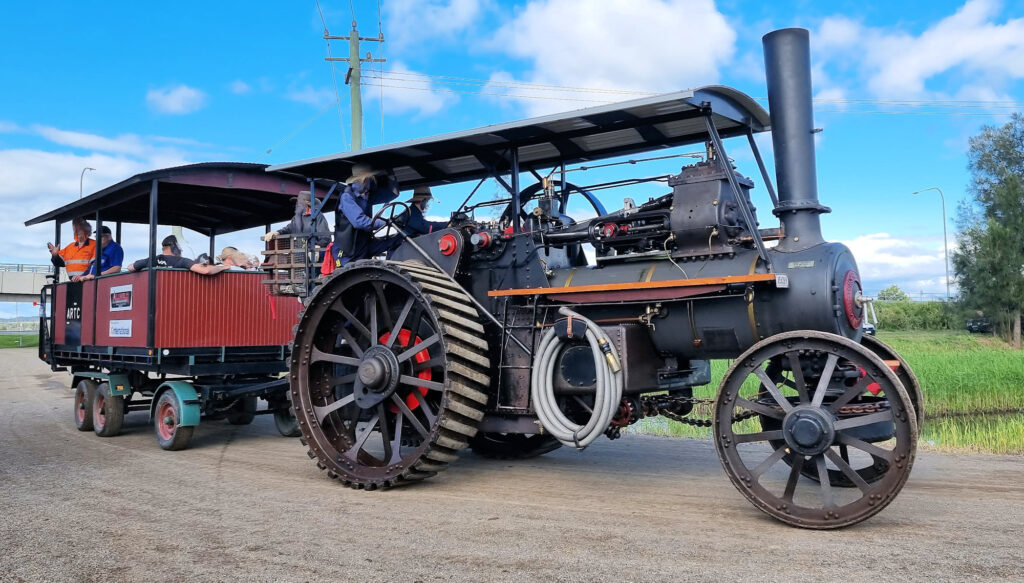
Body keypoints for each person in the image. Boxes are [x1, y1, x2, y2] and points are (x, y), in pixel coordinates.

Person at [332, 163, 400, 267]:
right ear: (364, 180)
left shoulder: (367, 195)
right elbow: (360, 222)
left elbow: (392, 194)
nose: (372, 181)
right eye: (370, 178)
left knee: (397, 239)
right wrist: (386, 221)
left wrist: (390, 175)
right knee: (353, 276)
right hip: (349, 251)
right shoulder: (347, 197)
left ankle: (394, 269)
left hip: (364, 244)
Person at [126, 235, 228, 275]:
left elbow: (130, 267)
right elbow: (206, 270)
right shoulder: (181, 261)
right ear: (175, 247)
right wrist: (223, 267)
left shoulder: (151, 260)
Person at [262, 190, 331, 249]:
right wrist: (277, 232)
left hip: (313, 253)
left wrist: (317, 247)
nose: (297, 204)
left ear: (307, 203)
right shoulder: (297, 217)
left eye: (299, 202)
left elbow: (325, 237)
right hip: (299, 252)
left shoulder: (318, 216)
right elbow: (289, 228)